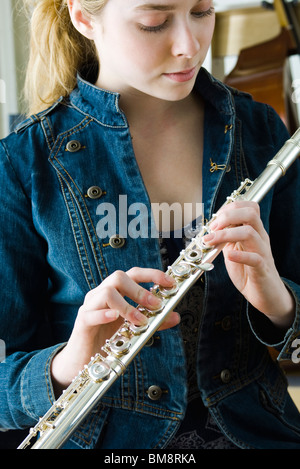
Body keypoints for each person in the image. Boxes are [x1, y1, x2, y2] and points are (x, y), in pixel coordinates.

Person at [0, 0, 300, 450]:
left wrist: (279, 304)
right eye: (153, 22)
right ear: (84, 18)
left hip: (255, 432)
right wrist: (69, 362)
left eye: (202, 12)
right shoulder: (22, 163)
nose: (189, 46)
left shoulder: (260, 131)